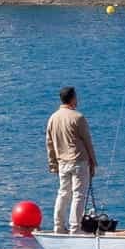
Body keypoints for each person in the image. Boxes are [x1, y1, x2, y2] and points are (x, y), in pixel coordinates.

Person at [45, 85, 100, 234]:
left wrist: (52, 164)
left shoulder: (53, 118)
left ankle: (58, 226)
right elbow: (87, 141)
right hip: (79, 161)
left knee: (63, 193)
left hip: (62, 162)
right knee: (79, 195)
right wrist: (93, 162)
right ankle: (75, 228)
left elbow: (49, 143)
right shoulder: (78, 117)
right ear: (73, 98)